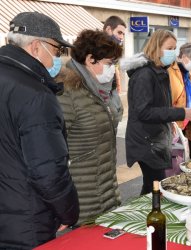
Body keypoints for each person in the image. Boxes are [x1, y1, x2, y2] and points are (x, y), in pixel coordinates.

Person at [0, 12, 79, 248]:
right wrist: (68, 213)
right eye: (56, 51)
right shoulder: (35, 94)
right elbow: (48, 170)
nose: (58, 58)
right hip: (25, 219)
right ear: (36, 47)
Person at [55, 30, 123, 225]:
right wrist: (61, 209)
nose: (112, 70)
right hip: (82, 204)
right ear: (91, 59)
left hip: (106, 196)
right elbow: (54, 153)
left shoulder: (96, 90)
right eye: (109, 64)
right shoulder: (66, 92)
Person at [124, 29, 191, 195]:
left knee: (154, 184)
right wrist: (180, 113)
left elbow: (159, 105)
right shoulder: (145, 74)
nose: (173, 53)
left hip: (154, 138)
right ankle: (148, 216)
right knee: (154, 186)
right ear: (157, 47)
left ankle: (150, 213)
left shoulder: (159, 70)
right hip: (146, 141)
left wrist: (169, 122)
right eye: (170, 48)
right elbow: (144, 112)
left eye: (174, 48)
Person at [168, 42, 191, 157]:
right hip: (175, 122)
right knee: (175, 158)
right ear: (183, 57)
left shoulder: (189, 73)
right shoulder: (170, 71)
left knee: (186, 156)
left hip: (188, 121)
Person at [103, 15, 126, 94]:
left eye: (123, 34)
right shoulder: (95, 50)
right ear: (109, 29)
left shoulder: (113, 53)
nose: (121, 37)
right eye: (119, 33)